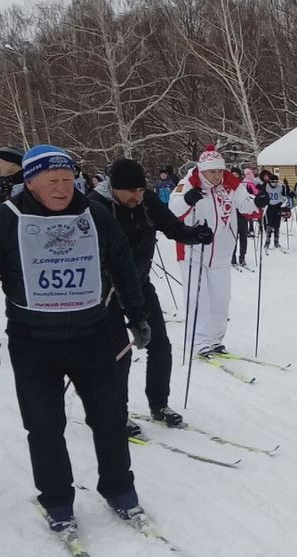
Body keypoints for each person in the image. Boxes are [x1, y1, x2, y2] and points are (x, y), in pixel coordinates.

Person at [0, 144, 152, 532]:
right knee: (45, 426)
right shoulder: (2, 221)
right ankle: (58, 499)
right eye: (52, 181)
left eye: (68, 180)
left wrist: (137, 316)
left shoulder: (95, 216)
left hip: (93, 335)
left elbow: (123, 268)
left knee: (109, 418)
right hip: (34, 340)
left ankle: (118, 488)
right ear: (30, 182)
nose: (63, 189)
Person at [89, 158, 214, 432]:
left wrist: (194, 235)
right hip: (105, 291)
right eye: (130, 191)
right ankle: (114, 412)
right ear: (114, 188)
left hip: (140, 285)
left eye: (140, 189)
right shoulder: (95, 207)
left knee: (160, 345)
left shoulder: (146, 200)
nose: (136, 196)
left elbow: (171, 227)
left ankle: (159, 404)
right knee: (119, 354)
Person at [168, 145, 263, 355]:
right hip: (193, 252)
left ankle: (216, 339)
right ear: (203, 170)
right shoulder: (188, 184)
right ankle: (199, 342)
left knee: (221, 299)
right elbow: (172, 211)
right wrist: (187, 200)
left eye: (220, 171)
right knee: (198, 298)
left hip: (221, 252)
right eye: (213, 171)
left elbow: (245, 205)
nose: (218, 175)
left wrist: (257, 202)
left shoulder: (230, 184)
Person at [261, 172, 288, 249]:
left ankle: (276, 241)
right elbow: (261, 191)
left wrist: (284, 205)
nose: (274, 183)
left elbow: (284, 195)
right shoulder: (266, 186)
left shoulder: (280, 186)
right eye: (272, 181)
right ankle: (267, 240)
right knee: (269, 223)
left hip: (278, 206)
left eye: (275, 181)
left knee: (277, 224)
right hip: (269, 206)